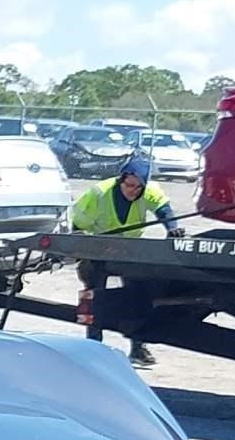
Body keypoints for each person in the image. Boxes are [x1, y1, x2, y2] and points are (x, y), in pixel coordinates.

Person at [67, 153, 181, 368]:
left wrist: (173, 229)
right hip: (98, 249)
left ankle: (137, 348)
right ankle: (93, 345)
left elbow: (164, 210)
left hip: (130, 251)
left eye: (138, 188)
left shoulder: (149, 191)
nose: (133, 191)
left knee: (139, 295)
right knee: (95, 295)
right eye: (129, 185)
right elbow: (77, 224)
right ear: (121, 180)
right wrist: (78, 249)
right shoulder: (99, 193)